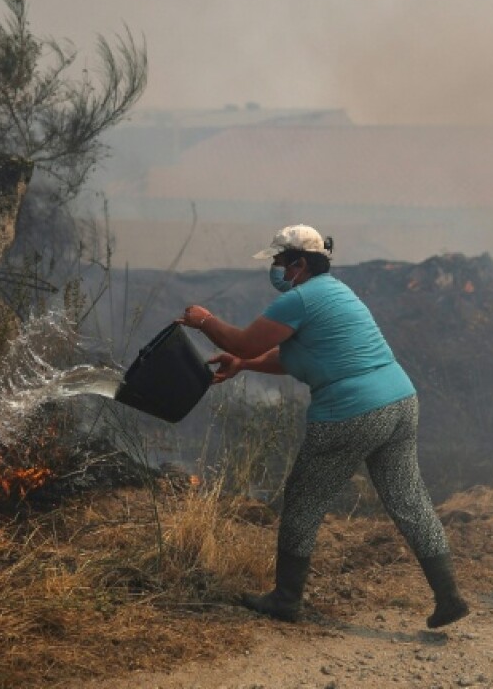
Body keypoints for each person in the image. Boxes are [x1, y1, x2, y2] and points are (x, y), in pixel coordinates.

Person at [178, 224, 469, 628]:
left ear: (299, 264)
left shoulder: (299, 299)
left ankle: (285, 599)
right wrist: (244, 366)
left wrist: (205, 321)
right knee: (409, 497)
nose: (276, 269)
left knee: (302, 500)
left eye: (280, 261)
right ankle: (449, 596)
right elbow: (289, 358)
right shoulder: (337, 292)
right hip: (400, 402)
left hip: (352, 412)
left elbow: (244, 341)